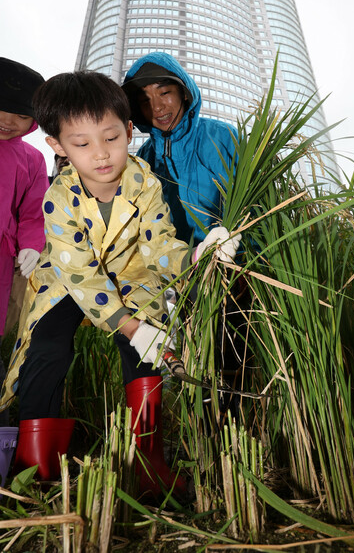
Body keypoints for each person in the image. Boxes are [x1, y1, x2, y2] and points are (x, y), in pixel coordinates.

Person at [0, 71, 240, 491]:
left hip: (132, 275)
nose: (101, 155)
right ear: (56, 145)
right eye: (82, 143)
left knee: (142, 356)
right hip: (69, 282)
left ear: (129, 131)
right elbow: (82, 276)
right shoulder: (58, 198)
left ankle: (148, 464)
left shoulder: (145, 182)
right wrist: (131, 327)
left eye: (111, 138)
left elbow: (159, 245)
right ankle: (34, 468)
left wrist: (198, 257)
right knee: (49, 348)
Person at [122, 52, 238, 246]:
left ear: (184, 92)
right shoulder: (143, 157)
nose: (157, 107)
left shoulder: (224, 137)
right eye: (145, 101)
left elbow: (255, 206)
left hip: (229, 265)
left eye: (164, 93)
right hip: (174, 271)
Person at [0, 57, 49, 427]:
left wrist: (32, 243)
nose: (7, 120)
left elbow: (34, 212)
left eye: (18, 114)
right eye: (1, 108)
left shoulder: (32, 159)